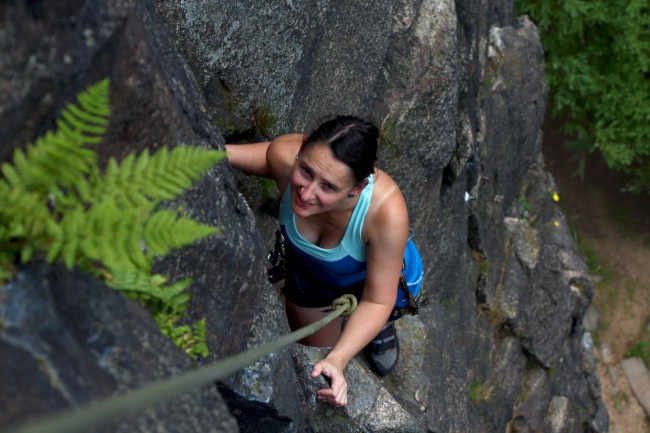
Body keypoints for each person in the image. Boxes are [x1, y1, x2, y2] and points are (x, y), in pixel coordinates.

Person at [225, 115, 424, 407]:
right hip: (313, 280)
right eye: (305, 170)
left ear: (356, 189)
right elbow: (260, 159)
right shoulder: (284, 155)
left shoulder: (385, 212)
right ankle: (355, 330)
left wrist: (339, 359)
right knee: (314, 362)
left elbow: (377, 300)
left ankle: (379, 328)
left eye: (328, 187)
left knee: (367, 322)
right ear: (300, 153)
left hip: (385, 285)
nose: (306, 193)